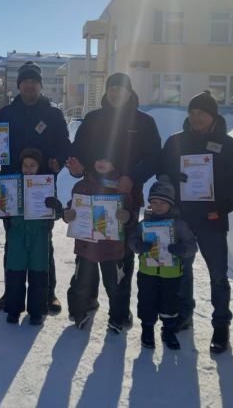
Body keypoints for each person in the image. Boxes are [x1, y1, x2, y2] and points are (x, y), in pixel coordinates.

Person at [68, 72, 161, 322]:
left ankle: (120, 310)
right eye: (111, 89)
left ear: (129, 92)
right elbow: (78, 151)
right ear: (106, 92)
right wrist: (76, 165)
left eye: (121, 89)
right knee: (88, 250)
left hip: (125, 195)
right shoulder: (92, 119)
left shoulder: (143, 122)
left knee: (120, 254)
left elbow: (154, 157)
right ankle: (87, 300)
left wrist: (133, 176)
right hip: (91, 192)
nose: (115, 93)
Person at [159, 90, 233, 353]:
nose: (196, 117)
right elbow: (161, 175)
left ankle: (221, 325)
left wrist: (223, 206)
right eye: (192, 112)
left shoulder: (230, 146)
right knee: (182, 270)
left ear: (213, 116)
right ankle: (185, 314)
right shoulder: (175, 142)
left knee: (218, 275)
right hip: (182, 218)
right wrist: (173, 177)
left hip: (212, 220)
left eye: (202, 113)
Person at [0, 61, 71, 313]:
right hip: (11, 183)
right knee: (12, 239)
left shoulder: (53, 114)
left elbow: (65, 144)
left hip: (42, 185)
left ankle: (48, 293)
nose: (29, 85)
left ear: (40, 85)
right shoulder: (6, 112)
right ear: (19, 85)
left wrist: (57, 159)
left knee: (43, 240)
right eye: (25, 81)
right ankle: (10, 292)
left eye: (34, 81)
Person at [63, 151, 137, 332]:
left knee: (115, 286)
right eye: (98, 158)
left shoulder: (121, 187)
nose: (102, 162)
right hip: (85, 246)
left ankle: (118, 317)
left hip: (112, 248)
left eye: (108, 160)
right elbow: (71, 209)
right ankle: (78, 312)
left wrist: (126, 216)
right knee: (81, 282)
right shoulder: (80, 186)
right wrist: (67, 215)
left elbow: (131, 214)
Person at [128, 176, 197, 350]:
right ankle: (147, 330)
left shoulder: (179, 225)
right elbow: (132, 241)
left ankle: (168, 331)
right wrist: (139, 246)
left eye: (163, 202)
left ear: (171, 204)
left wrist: (182, 249)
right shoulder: (145, 224)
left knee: (170, 303)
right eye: (154, 202)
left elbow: (192, 245)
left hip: (171, 274)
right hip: (147, 273)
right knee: (146, 301)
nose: (158, 206)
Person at [0, 148, 58, 325]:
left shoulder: (46, 184)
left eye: (32, 165)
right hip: (17, 237)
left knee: (39, 276)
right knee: (15, 275)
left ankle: (37, 311)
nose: (28, 169)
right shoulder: (12, 185)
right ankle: (13, 310)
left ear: (39, 166)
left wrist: (55, 206)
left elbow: (57, 214)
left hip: (40, 238)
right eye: (25, 165)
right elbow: (1, 212)